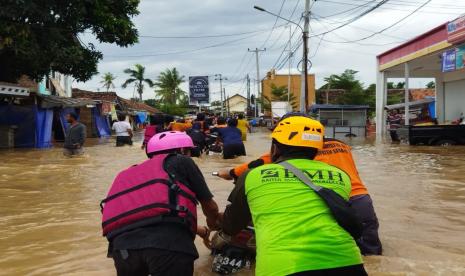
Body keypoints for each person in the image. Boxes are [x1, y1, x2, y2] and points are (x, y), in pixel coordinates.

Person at [218, 116, 366, 276]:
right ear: (317, 148)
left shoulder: (252, 175)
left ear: (275, 148)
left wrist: (216, 219)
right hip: (349, 263)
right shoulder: (340, 176)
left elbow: (231, 226)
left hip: (285, 267)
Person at [101, 131, 220, 276]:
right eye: (189, 151)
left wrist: (203, 232)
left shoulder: (127, 174)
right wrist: (215, 225)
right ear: (182, 150)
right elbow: (210, 207)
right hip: (168, 246)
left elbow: (154, 217)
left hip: (122, 251)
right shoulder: (182, 161)